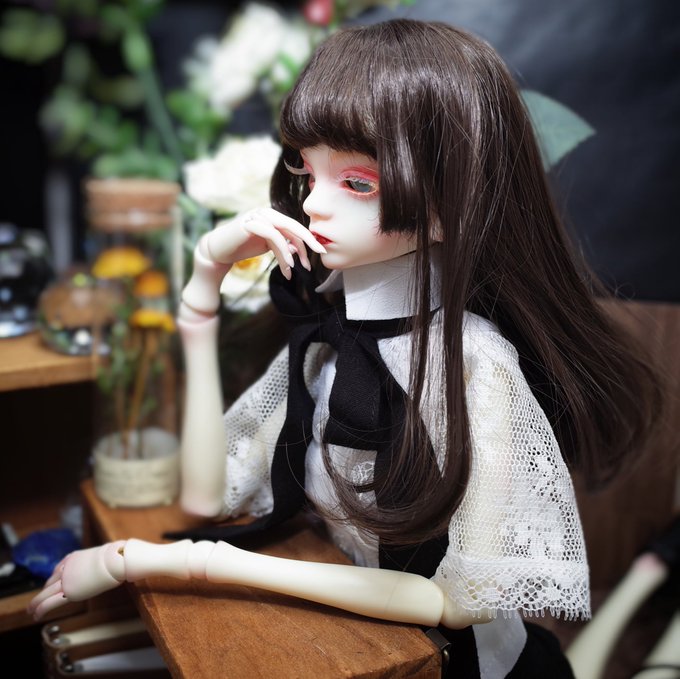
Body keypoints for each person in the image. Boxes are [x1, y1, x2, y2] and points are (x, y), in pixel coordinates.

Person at [28, 19, 660, 678]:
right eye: (306, 171)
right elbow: (207, 495)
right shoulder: (325, 341)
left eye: (357, 183)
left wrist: (168, 560)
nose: (314, 206)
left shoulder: (474, 365)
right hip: (352, 646)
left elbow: (455, 602)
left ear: (451, 201)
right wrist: (203, 284)